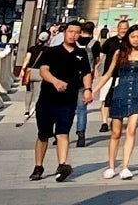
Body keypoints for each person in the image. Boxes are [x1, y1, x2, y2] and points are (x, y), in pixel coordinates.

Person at [27, 19, 91, 182]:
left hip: (68, 101)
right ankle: (38, 166)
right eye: (71, 32)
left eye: (77, 32)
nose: (73, 35)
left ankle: (62, 165)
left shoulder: (81, 53)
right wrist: (55, 81)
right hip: (47, 100)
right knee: (43, 135)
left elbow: (86, 73)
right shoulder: (51, 51)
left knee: (63, 133)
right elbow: (43, 71)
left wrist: (88, 90)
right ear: (64, 32)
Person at [94, 22, 138, 179]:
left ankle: (125, 166)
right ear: (128, 37)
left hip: (136, 93)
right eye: (133, 36)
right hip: (120, 91)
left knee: (131, 130)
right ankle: (111, 166)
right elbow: (108, 74)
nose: (136, 40)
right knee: (116, 132)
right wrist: (93, 91)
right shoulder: (120, 53)